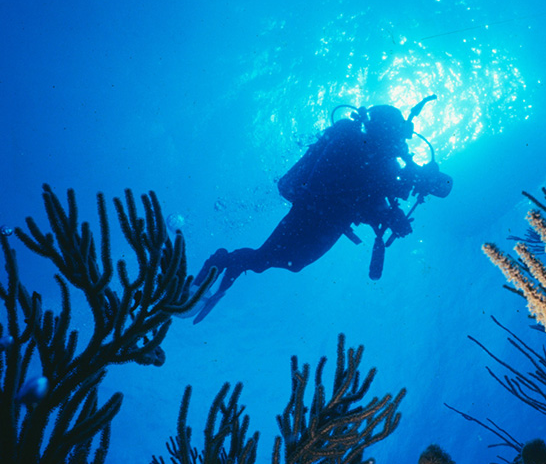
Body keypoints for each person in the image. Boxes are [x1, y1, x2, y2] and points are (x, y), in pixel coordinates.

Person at [186, 96, 452, 323]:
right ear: (385, 130)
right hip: (311, 211)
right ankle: (221, 261)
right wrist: (384, 207)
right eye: (396, 135)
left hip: (332, 221)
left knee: (292, 264)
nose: (401, 144)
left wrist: (390, 216)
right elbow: (332, 185)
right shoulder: (349, 142)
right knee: (268, 258)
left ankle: (230, 263)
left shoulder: (384, 164)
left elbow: (373, 200)